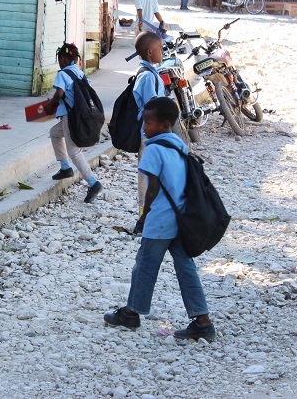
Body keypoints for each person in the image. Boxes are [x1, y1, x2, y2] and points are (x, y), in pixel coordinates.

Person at [103, 97, 215, 341]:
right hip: (180, 218)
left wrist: (144, 216)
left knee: (144, 266)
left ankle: (131, 313)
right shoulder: (178, 144)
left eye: (148, 123)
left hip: (160, 219)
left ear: (164, 124)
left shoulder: (153, 149)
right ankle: (202, 321)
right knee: (186, 268)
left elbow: (151, 188)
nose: (144, 127)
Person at [44, 43, 104, 204]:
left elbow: (59, 93)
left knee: (75, 152)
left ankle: (93, 183)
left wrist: (50, 105)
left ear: (63, 58)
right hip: (79, 115)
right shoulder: (79, 72)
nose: (59, 62)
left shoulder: (63, 74)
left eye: (59, 59)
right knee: (55, 133)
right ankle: (65, 167)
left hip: (71, 117)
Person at [132, 31, 165, 216]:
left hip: (154, 135)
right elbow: (150, 107)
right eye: (159, 48)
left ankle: (153, 213)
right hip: (148, 136)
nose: (162, 51)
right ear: (149, 52)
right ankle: (143, 215)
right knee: (145, 178)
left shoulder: (152, 73)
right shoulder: (146, 77)